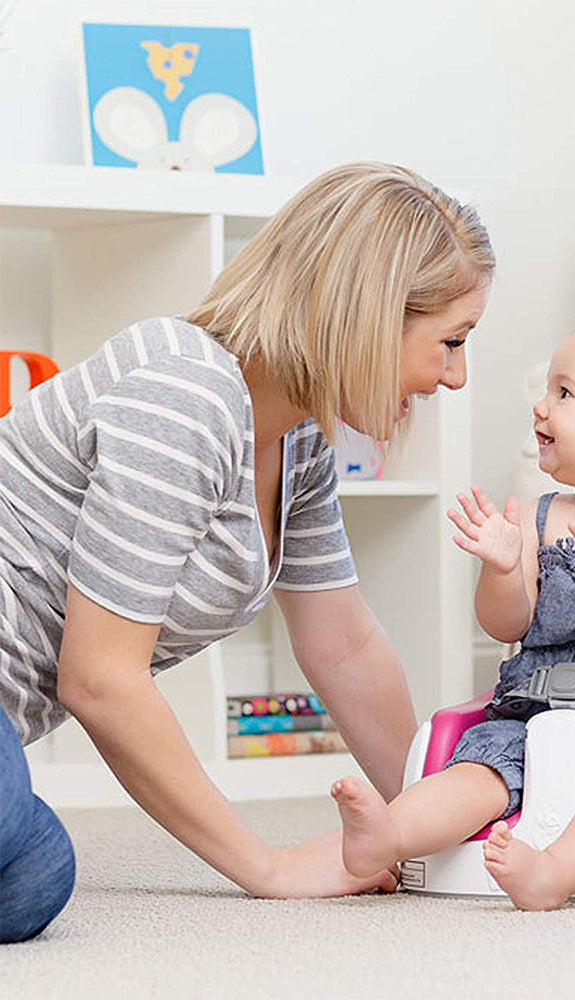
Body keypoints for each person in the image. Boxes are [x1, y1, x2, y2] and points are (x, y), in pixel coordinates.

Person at [0, 162, 495, 942]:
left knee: (25, 876)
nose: (457, 376)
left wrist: (426, 818)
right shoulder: (186, 393)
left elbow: (344, 643)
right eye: (450, 341)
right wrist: (266, 867)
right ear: (364, 315)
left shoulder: (297, 442)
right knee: (30, 856)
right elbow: (99, 677)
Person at [332, 308, 575, 910]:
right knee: (479, 769)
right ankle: (390, 835)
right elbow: (505, 625)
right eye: (547, 390)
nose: (541, 406)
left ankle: (554, 873)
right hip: (532, 711)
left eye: (564, 392)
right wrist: (503, 566)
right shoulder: (542, 516)